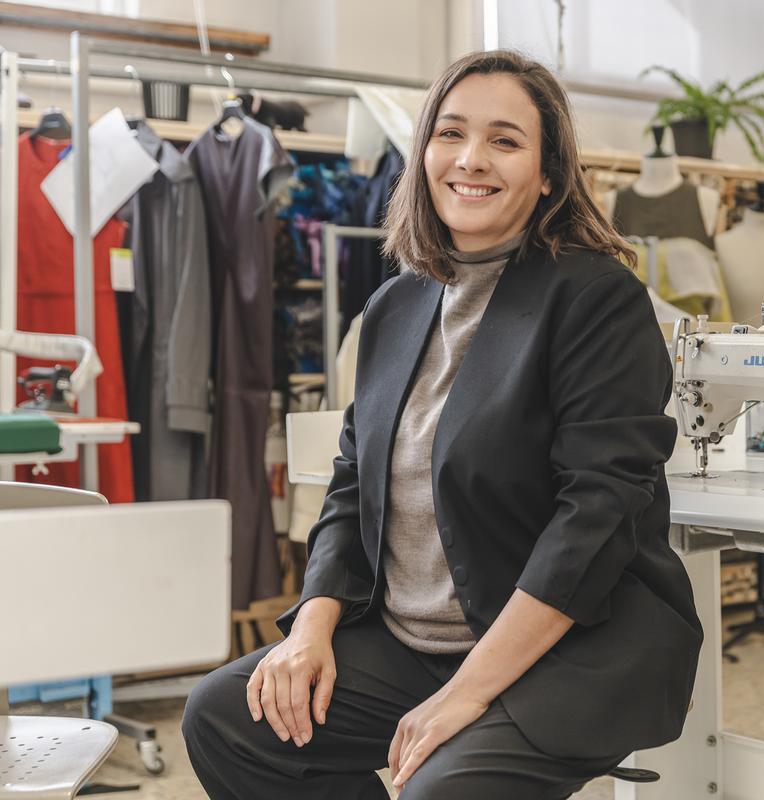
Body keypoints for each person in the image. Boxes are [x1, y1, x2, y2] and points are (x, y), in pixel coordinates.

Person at [182, 49, 702, 799]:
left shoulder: (597, 301)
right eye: (450, 133)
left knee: (439, 788)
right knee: (230, 718)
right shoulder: (397, 306)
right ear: (423, 150)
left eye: (505, 140)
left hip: (566, 651)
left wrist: (467, 693)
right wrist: (310, 630)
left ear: (549, 173)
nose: (471, 160)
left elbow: (592, 523)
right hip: (410, 644)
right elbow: (351, 483)